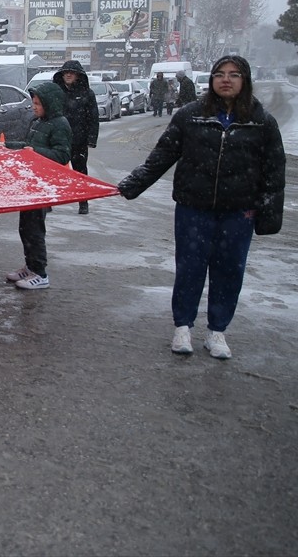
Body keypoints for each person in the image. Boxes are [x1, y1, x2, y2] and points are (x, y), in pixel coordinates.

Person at [117, 56, 285, 360]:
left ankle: (217, 331)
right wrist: (132, 185)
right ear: (211, 80)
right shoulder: (190, 116)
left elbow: (274, 171)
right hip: (194, 208)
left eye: (234, 75)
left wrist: (268, 212)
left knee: (229, 270)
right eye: (220, 74)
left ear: (244, 80)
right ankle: (182, 326)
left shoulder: (261, 121)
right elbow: (162, 155)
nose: (226, 80)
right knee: (189, 268)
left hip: (239, 211)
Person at [3, 82, 72, 290]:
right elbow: (28, 147)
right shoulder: (37, 121)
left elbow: (62, 154)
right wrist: (7, 147)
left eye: (38, 103)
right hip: (29, 183)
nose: (34, 107)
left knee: (35, 230)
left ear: (49, 104)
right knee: (25, 227)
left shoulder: (60, 124)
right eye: (33, 103)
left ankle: (40, 273)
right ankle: (30, 266)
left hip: (42, 186)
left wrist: (36, 153)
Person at [53, 60, 100, 215]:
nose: (68, 75)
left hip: (78, 140)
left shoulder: (87, 93)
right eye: (65, 72)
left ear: (78, 75)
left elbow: (93, 118)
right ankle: (48, 201)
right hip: (58, 140)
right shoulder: (56, 92)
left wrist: (91, 139)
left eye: (71, 72)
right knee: (51, 171)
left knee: (80, 172)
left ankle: (83, 202)